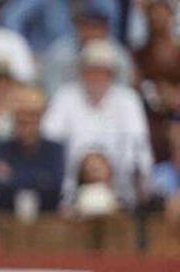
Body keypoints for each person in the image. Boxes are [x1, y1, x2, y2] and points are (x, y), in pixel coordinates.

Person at [42, 39, 153, 208]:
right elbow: (50, 142)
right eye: (91, 70)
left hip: (119, 191)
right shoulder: (65, 97)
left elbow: (138, 148)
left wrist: (108, 172)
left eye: (102, 71)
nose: (96, 77)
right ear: (82, 73)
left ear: (112, 75)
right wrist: (85, 167)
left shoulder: (128, 100)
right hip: (70, 190)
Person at [0, 87, 65, 215]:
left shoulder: (54, 150)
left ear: (39, 122)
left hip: (47, 219)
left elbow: (55, 187)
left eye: (32, 123)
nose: (27, 129)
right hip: (8, 219)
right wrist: (40, 180)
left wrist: (13, 177)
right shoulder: (2, 149)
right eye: (22, 123)